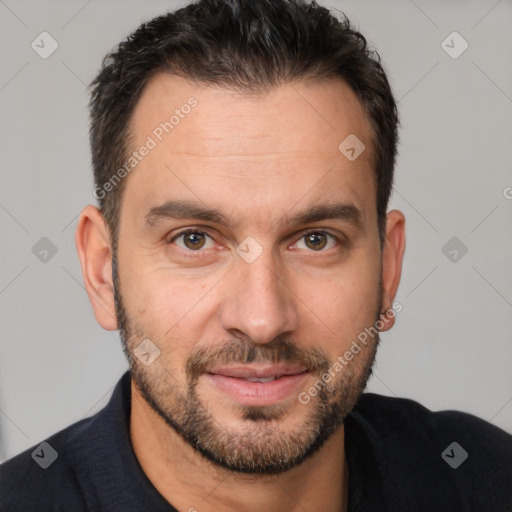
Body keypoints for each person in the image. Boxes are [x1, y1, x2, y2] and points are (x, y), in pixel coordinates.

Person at [1, 1, 510, 510]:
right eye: (194, 239)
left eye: (316, 240)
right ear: (103, 272)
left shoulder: (483, 479)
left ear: (388, 269)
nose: (262, 319)